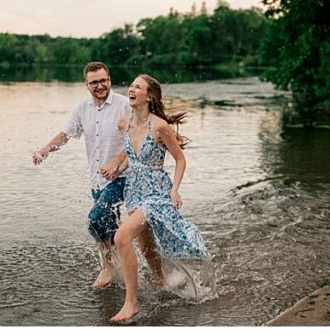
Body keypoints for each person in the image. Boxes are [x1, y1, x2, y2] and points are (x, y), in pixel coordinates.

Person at [105, 74, 210, 323]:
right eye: (130, 85)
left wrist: (175, 189)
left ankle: (131, 303)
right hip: (134, 190)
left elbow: (180, 159)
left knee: (121, 237)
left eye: (137, 87)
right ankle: (162, 284)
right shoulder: (123, 123)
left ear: (149, 96)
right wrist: (117, 169)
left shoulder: (160, 126)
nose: (131, 89)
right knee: (145, 247)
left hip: (156, 192)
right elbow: (134, 155)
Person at [33, 61, 131, 289]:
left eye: (103, 81)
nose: (100, 86)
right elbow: (66, 134)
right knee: (107, 227)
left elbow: (138, 139)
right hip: (96, 180)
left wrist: (118, 162)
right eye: (94, 82)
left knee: (95, 219)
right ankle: (121, 264)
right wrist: (45, 150)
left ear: (110, 80)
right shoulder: (82, 109)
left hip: (120, 177)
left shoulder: (124, 106)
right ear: (86, 85)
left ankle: (108, 268)